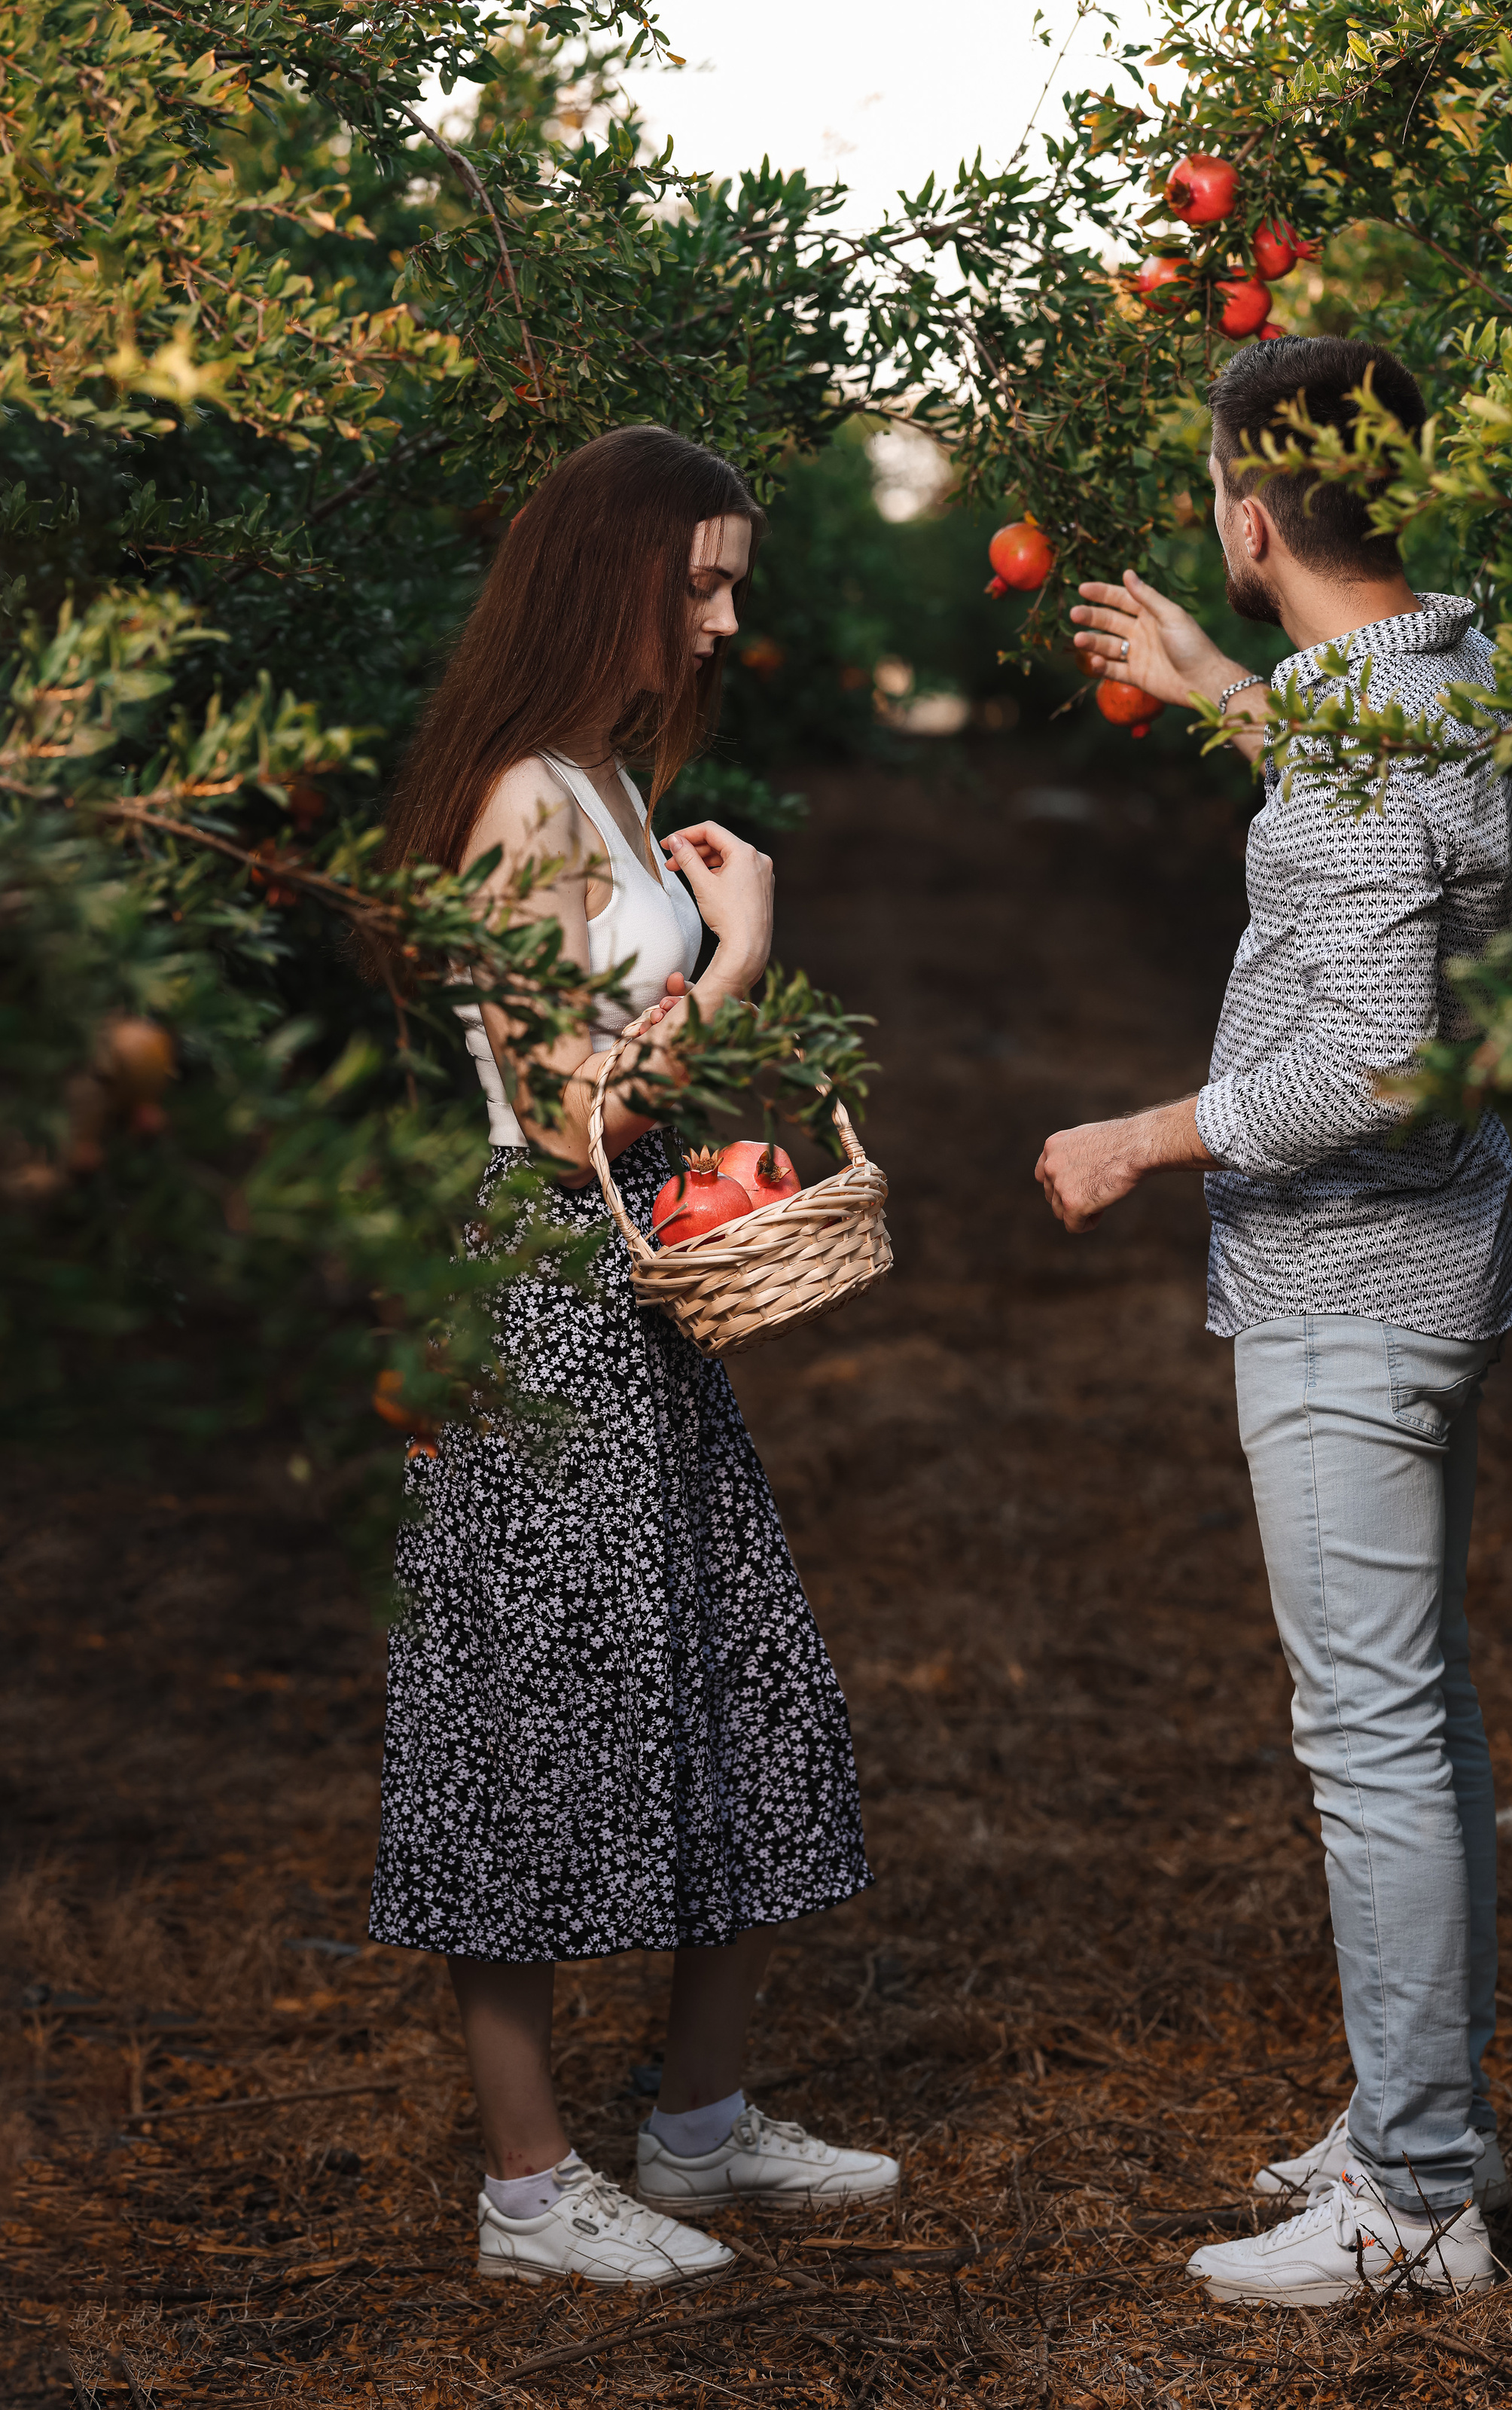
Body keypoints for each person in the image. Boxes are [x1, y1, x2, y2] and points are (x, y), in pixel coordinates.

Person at [1039, 336, 1512, 2305]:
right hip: (1442, 1271)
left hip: (1348, 1292)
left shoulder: (1363, 745)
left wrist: (1141, 1138)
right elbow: (1392, 835)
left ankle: (1414, 2198)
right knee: (1418, 1714)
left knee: (1374, 1731)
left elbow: (1378, 1067)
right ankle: (1427, 2111)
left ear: (1249, 517)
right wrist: (1225, 692)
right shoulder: (1459, 674)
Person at [370, 424, 897, 2290]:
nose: (728, 614)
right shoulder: (522, 793)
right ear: (610, 579)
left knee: (745, 1683)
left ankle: (697, 2122)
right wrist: (734, 961)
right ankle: (527, 2188)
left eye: (732, 577)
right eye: (700, 582)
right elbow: (559, 1102)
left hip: (638, 1282)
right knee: (532, 1719)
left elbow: (628, 1089)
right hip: (545, 1289)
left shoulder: (597, 772)